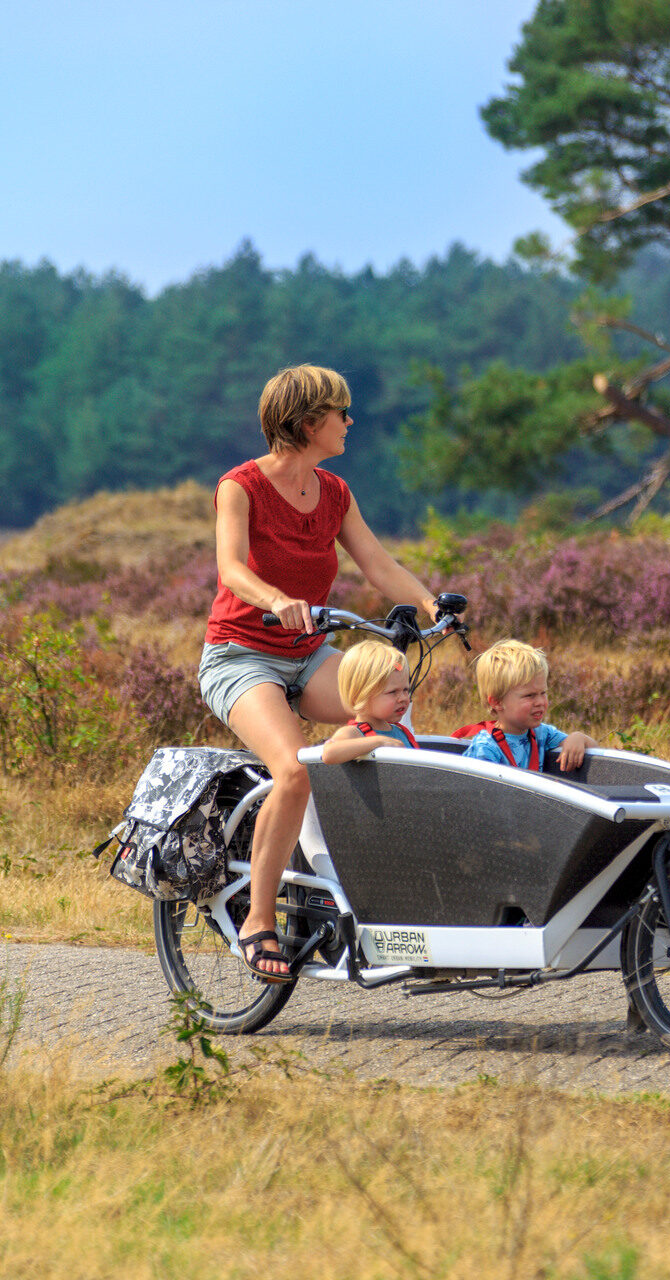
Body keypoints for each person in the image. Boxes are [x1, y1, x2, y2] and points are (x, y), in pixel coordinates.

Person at [198, 364, 441, 983]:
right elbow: (230, 569)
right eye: (341, 412)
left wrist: (435, 609)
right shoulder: (241, 486)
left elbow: (379, 564)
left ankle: (358, 877)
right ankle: (258, 919)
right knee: (292, 769)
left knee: (390, 705)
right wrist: (275, 597)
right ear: (310, 423)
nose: (350, 421)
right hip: (240, 654)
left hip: (307, 655)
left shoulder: (334, 491)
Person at [460, 639, 598, 773]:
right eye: (529, 695)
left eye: (543, 693)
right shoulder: (486, 748)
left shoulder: (542, 734)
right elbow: (479, 793)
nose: (540, 702)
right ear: (497, 702)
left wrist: (578, 738)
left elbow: (596, 752)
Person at [321, 640, 419, 763]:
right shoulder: (353, 733)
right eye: (392, 692)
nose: (404, 698)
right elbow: (329, 754)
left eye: (406, 690)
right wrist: (379, 741)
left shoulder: (400, 731)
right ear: (360, 695)